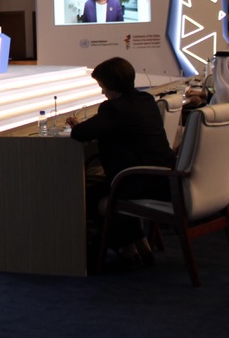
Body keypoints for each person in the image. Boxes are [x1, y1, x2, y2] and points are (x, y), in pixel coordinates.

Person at [65, 57, 175, 271]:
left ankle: (124, 248)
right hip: (164, 177)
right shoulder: (146, 100)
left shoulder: (114, 109)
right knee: (105, 189)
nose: (101, 92)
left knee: (87, 196)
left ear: (111, 85)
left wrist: (79, 125)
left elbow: (80, 133)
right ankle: (135, 246)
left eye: (102, 86)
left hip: (139, 180)